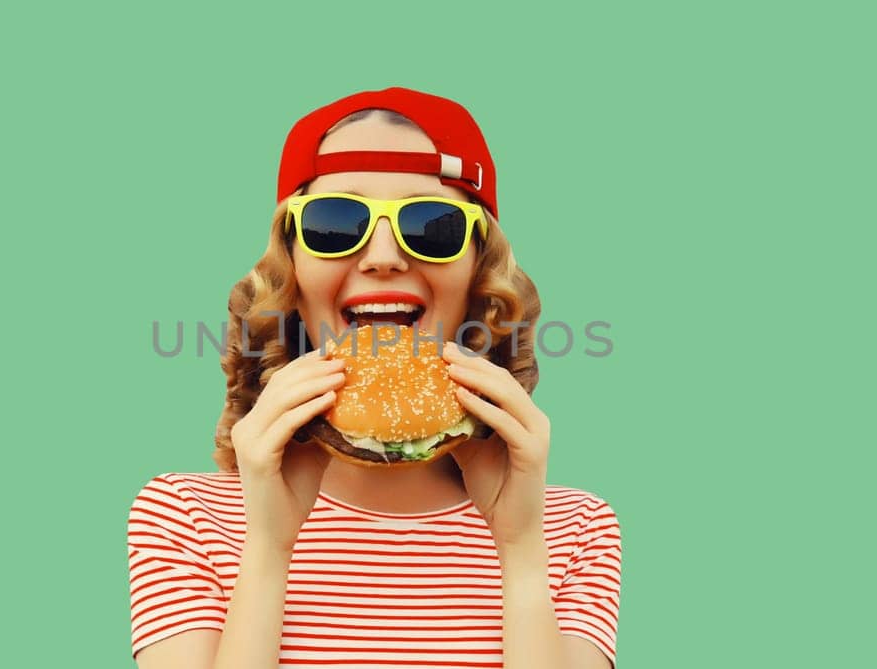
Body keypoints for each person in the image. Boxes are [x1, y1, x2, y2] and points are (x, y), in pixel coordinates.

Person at [127, 86, 622, 668]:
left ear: (479, 278)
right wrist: (267, 549)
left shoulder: (572, 529)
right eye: (336, 224)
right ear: (290, 269)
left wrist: (519, 550)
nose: (383, 256)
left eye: (431, 225)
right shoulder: (186, 514)